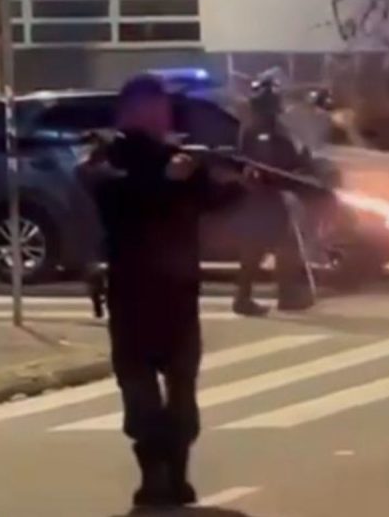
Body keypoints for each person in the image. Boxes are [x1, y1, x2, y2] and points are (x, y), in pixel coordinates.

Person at [77, 75, 256, 509]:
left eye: (164, 108)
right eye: (151, 108)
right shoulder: (109, 157)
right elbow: (113, 198)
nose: (162, 116)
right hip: (132, 295)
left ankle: (176, 474)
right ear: (128, 113)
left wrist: (239, 184)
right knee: (140, 398)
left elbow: (209, 200)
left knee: (181, 397)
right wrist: (167, 180)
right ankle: (153, 474)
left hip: (178, 296)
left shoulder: (180, 159)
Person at [232, 77, 315, 317]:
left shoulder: (267, 127)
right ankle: (253, 297)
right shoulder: (258, 129)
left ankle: (281, 295)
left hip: (269, 195)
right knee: (262, 248)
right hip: (261, 197)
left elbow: (290, 156)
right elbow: (263, 161)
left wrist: (301, 166)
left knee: (278, 246)